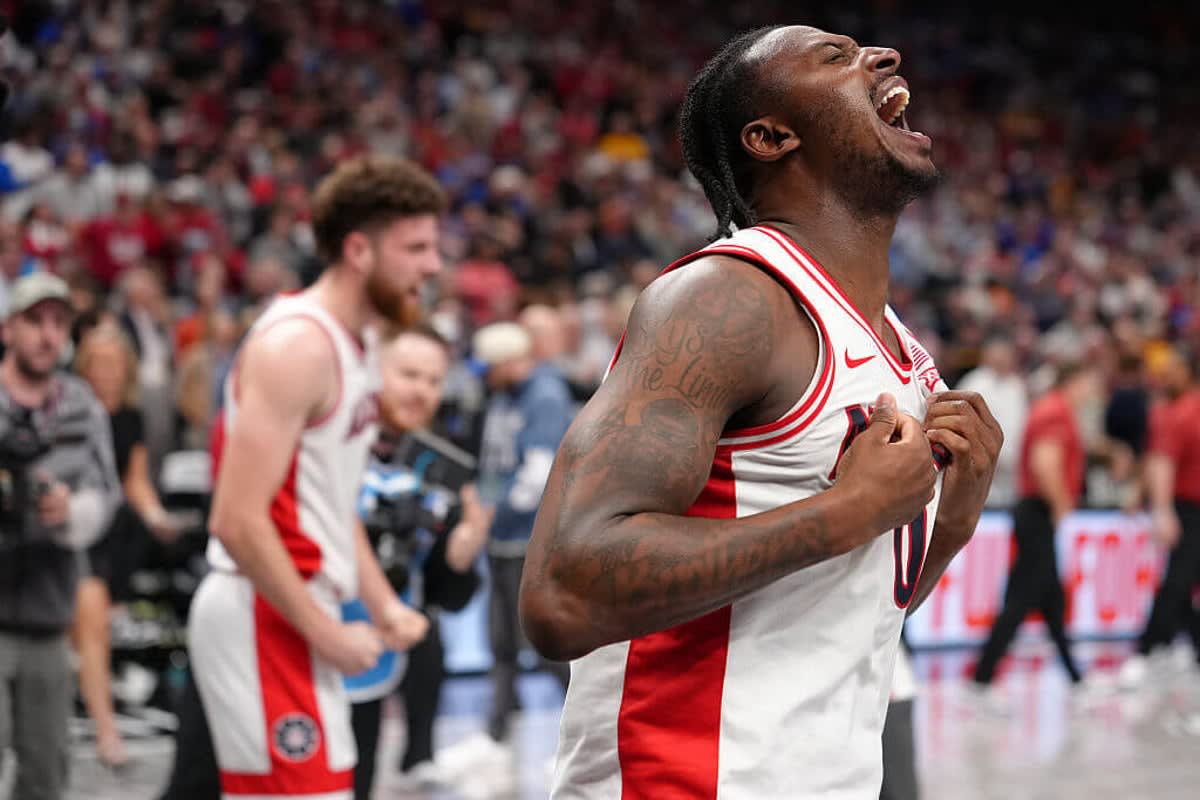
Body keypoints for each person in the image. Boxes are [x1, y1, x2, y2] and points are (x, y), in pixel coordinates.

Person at [519, 25, 1002, 798]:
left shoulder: (899, 347)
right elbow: (562, 595)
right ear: (771, 136)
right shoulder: (724, 299)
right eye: (836, 57)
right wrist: (845, 514)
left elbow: (843, 615)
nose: (884, 57)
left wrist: (948, 526)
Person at [188, 156, 442, 800]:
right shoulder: (298, 345)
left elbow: (329, 504)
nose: (432, 266)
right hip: (264, 609)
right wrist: (326, 631)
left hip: (293, 610)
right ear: (358, 250)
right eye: (416, 248)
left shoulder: (353, 347)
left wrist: (384, 604)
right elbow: (236, 520)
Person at [343, 324, 490, 799]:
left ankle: (417, 754)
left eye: (433, 379)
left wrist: (461, 552)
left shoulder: (436, 469)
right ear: (372, 372)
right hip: (311, 643)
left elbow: (444, 595)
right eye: (408, 374)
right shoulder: (334, 444)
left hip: (377, 657)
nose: (422, 390)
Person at [0, 271, 122, 800]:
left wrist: (71, 512)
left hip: (49, 613)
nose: (49, 336)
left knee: (47, 771)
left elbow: (106, 493)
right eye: (35, 322)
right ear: (8, 329)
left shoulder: (80, 406)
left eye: (59, 323)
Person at [72, 322, 181, 768]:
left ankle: (106, 730)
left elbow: (134, 481)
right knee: (85, 631)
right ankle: (101, 725)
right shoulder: (71, 411)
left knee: (92, 629)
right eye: (99, 363)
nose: (107, 372)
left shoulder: (131, 417)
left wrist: (157, 516)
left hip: (109, 535)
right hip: (70, 530)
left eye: (115, 364)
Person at [972, 362, 1101, 697]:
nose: (1093, 391)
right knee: (1021, 599)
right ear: (1074, 380)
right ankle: (982, 678)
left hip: (1036, 513)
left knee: (1050, 600)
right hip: (1038, 513)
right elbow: (1045, 464)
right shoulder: (1055, 413)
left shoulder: (1053, 410)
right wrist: (1061, 506)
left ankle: (1074, 676)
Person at [474, 320, 574, 745]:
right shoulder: (503, 396)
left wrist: (489, 516)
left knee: (539, 642)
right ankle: (497, 730)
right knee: (501, 640)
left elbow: (537, 474)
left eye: (488, 368)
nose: (483, 376)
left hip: (528, 540)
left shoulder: (544, 396)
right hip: (502, 536)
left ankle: (593, 720)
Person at [1118, 346, 1200, 689]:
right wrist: (1161, 508)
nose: (1167, 374)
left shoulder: (1184, 409)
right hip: (1186, 506)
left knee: (1184, 582)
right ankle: (1148, 650)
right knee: (1179, 581)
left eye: (1174, 367)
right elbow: (1160, 461)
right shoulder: (1176, 413)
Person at [958, 336, 1028, 509]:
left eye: (1006, 355)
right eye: (998, 355)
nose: (1002, 359)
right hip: (982, 467)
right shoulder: (975, 383)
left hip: (1011, 472)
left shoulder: (1016, 386)